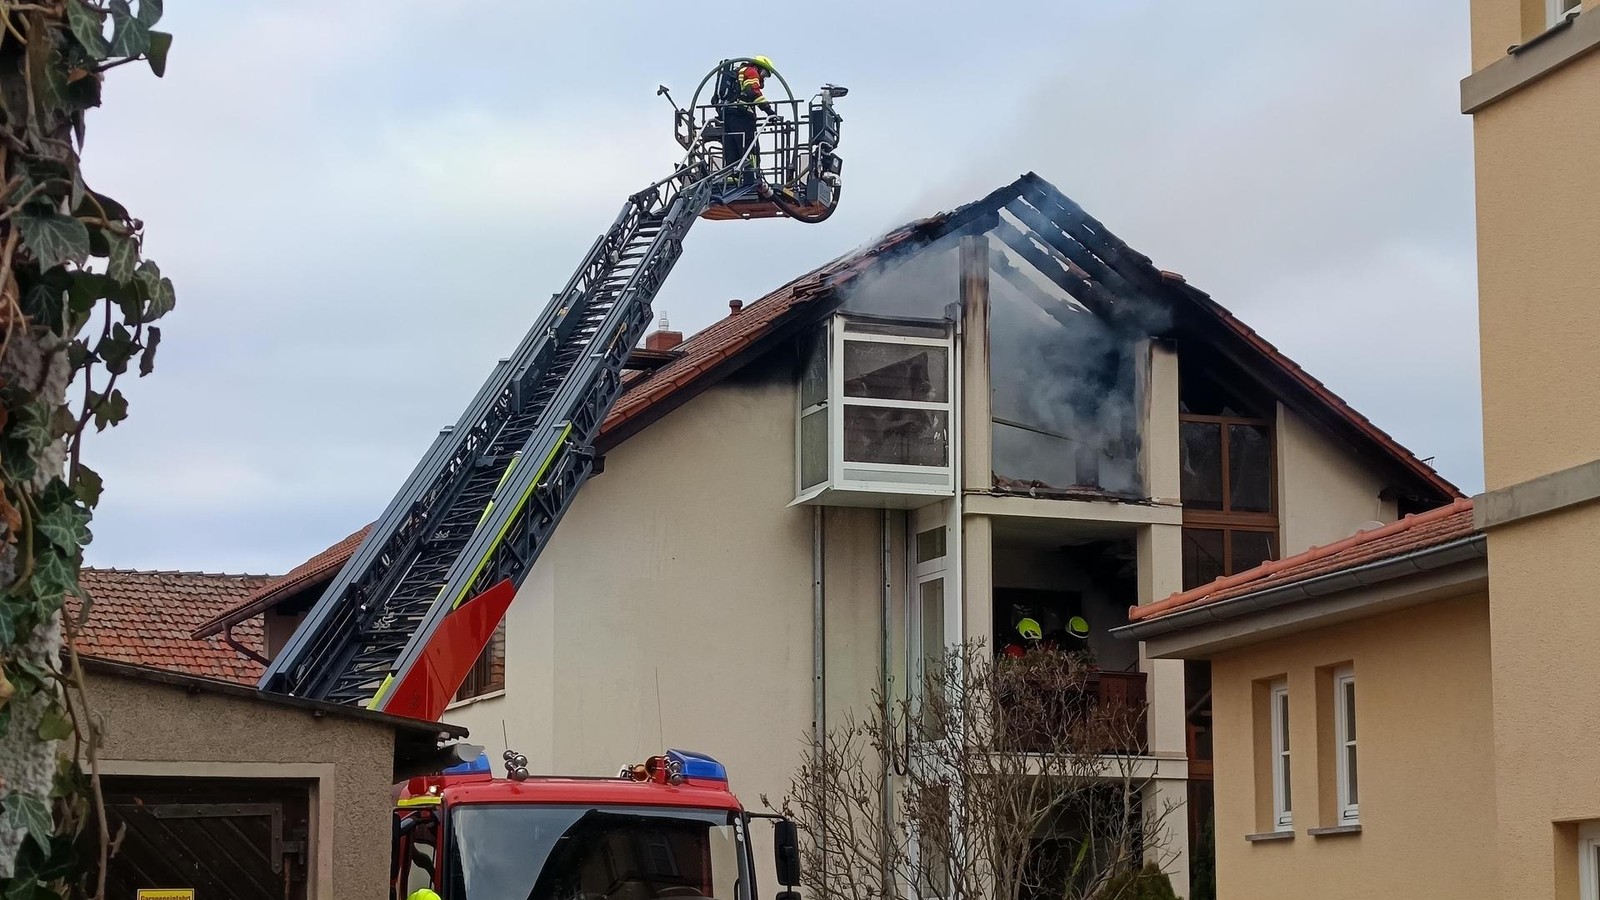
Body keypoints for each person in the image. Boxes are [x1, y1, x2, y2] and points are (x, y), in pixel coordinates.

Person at [718, 56, 778, 194]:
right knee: (750, 147)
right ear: (760, 67)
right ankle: (752, 175)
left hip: (728, 114)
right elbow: (752, 91)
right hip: (742, 115)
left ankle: (732, 178)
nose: (763, 77)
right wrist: (769, 111)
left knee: (732, 147)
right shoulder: (751, 71)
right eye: (765, 73)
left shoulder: (739, 71)